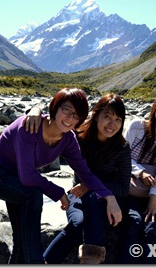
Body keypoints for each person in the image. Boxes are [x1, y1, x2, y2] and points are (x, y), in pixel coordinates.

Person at [0, 88, 122, 264]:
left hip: (15, 181)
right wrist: (58, 192)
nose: (70, 118)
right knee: (33, 194)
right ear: (55, 107)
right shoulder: (30, 126)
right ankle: (37, 262)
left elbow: (85, 173)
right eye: (67, 110)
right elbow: (28, 176)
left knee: (21, 244)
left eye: (76, 115)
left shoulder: (68, 139)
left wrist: (109, 196)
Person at [25, 93, 131, 264]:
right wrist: (35, 110)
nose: (112, 124)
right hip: (78, 196)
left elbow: (123, 187)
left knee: (92, 196)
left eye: (118, 119)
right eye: (108, 117)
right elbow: (53, 123)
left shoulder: (122, 147)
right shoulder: (78, 138)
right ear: (96, 116)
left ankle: (90, 261)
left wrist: (90, 186)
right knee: (77, 224)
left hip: (107, 202)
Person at [118, 91, 156, 264]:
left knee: (152, 229)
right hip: (130, 189)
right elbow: (122, 156)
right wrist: (141, 172)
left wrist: (154, 199)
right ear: (155, 107)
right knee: (134, 223)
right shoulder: (136, 126)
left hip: (154, 191)